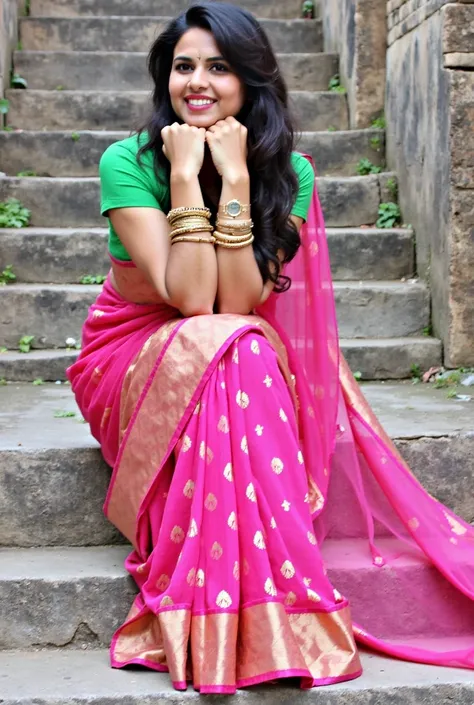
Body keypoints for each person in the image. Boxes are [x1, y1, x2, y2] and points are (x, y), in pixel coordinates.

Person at [68, 2, 474, 695]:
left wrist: (234, 177)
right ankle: (269, 609)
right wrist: (185, 175)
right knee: (234, 344)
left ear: (251, 80)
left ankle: (248, 608)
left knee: (239, 345)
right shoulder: (129, 162)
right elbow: (191, 299)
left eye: (219, 67)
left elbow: (234, 303)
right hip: (130, 354)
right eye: (184, 67)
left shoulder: (291, 174)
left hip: (230, 350)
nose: (198, 82)